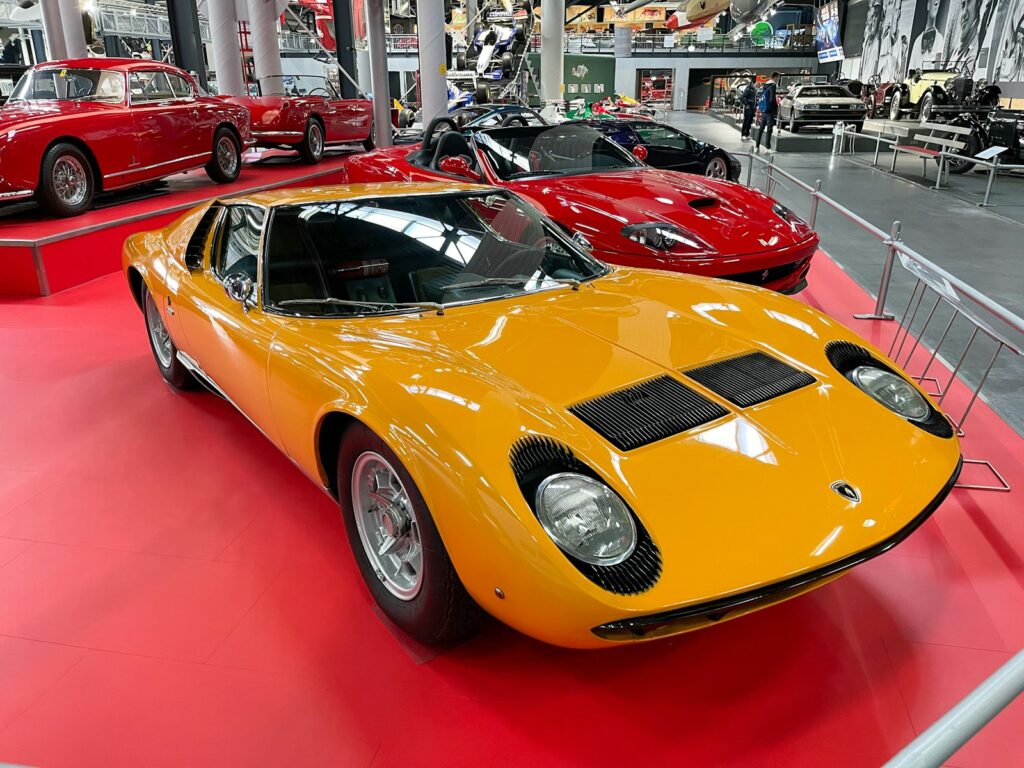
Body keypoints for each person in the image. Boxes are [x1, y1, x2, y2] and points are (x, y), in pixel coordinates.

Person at [754, 71, 779, 153]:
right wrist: (776, 108)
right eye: (778, 78)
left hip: (764, 109)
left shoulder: (765, 85)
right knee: (769, 129)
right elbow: (772, 99)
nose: (778, 79)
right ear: (775, 77)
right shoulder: (773, 85)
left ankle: (757, 147)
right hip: (770, 110)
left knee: (761, 128)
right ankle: (767, 148)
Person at [739, 76, 756, 141]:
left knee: (749, 121)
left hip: (752, 107)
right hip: (748, 108)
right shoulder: (749, 88)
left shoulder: (753, 89)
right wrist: (747, 104)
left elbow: (754, 99)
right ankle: (743, 135)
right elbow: (742, 97)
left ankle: (746, 134)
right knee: (746, 121)